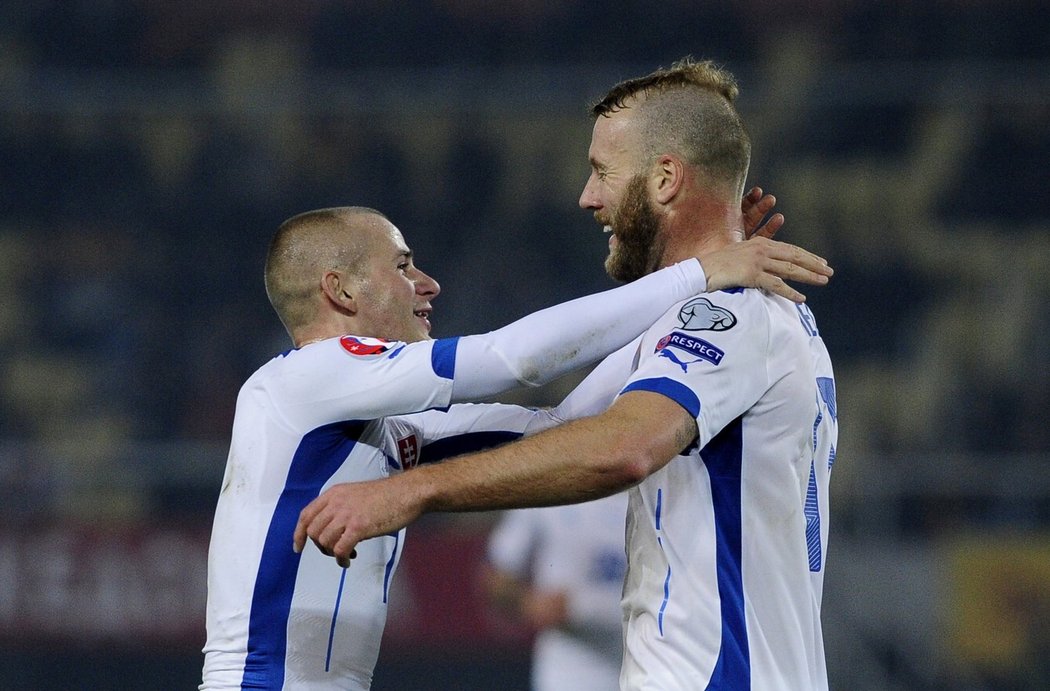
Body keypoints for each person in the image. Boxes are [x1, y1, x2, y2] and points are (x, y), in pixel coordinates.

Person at [295, 58, 839, 690]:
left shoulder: (730, 313)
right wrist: (389, 449)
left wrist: (411, 494)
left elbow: (625, 447)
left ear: (665, 179)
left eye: (603, 171)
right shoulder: (727, 316)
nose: (588, 196)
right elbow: (558, 424)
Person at [200, 204, 831, 690]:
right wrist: (697, 272)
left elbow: (560, 426)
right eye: (402, 266)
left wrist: (692, 306)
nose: (429, 284)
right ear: (340, 290)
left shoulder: (377, 424)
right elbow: (516, 358)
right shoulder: (300, 379)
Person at [483, 494, 629, 691]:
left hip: (646, 660)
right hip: (568, 670)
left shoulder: (657, 492)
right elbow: (497, 574)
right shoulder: (551, 485)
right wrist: (532, 604)